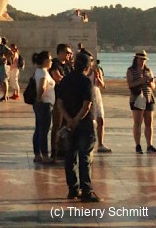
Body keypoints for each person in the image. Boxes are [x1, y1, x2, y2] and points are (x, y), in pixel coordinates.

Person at [56, 50, 99, 202]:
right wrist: (76, 120)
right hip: (84, 124)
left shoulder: (65, 80)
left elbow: (59, 103)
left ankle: (72, 189)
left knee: (70, 157)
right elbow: (87, 105)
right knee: (84, 157)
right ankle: (86, 190)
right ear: (87, 67)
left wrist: (69, 119)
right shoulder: (86, 82)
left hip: (69, 123)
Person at [126, 49, 156, 154]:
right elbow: (130, 84)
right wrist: (141, 81)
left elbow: (153, 86)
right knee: (138, 122)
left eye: (144, 59)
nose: (142, 61)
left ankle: (149, 145)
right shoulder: (131, 70)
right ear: (136, 59)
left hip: (149, 97)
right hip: (137, 98)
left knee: (149, 122)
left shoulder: (148, 70)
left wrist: (149, 82)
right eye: (140, 59)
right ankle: (138, 145)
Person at [50, 43, 74, 159]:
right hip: (58, 99)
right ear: (60, 52)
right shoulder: (55, 64)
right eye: (67, 52)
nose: (69, 55)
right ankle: (54, 149)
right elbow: (57, 78)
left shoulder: (68, 66)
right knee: (57, 124)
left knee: (66, 124)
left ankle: (63, 148)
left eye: (70, 53)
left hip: (68, 99)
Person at [32, 51, 55, 164]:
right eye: (50, 60)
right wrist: (39, 98)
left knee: (38, 129)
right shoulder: (44, 73)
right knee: (43, 131)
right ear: (45, 61)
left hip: (40, 104)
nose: (51, 62)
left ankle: (37, 154)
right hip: (45, 104)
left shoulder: (38, 71)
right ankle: (45, 155)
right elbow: (42, 86)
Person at [89, 58, 111, 152]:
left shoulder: (97, 70)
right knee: (90, 121)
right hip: (88, 96)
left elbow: (103, 85)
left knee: (100, 119)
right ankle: (89, 143)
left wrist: (98, 78)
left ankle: (100, 144)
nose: (91, 62)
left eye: (92, 60)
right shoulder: (82, 71)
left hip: (96, 95)